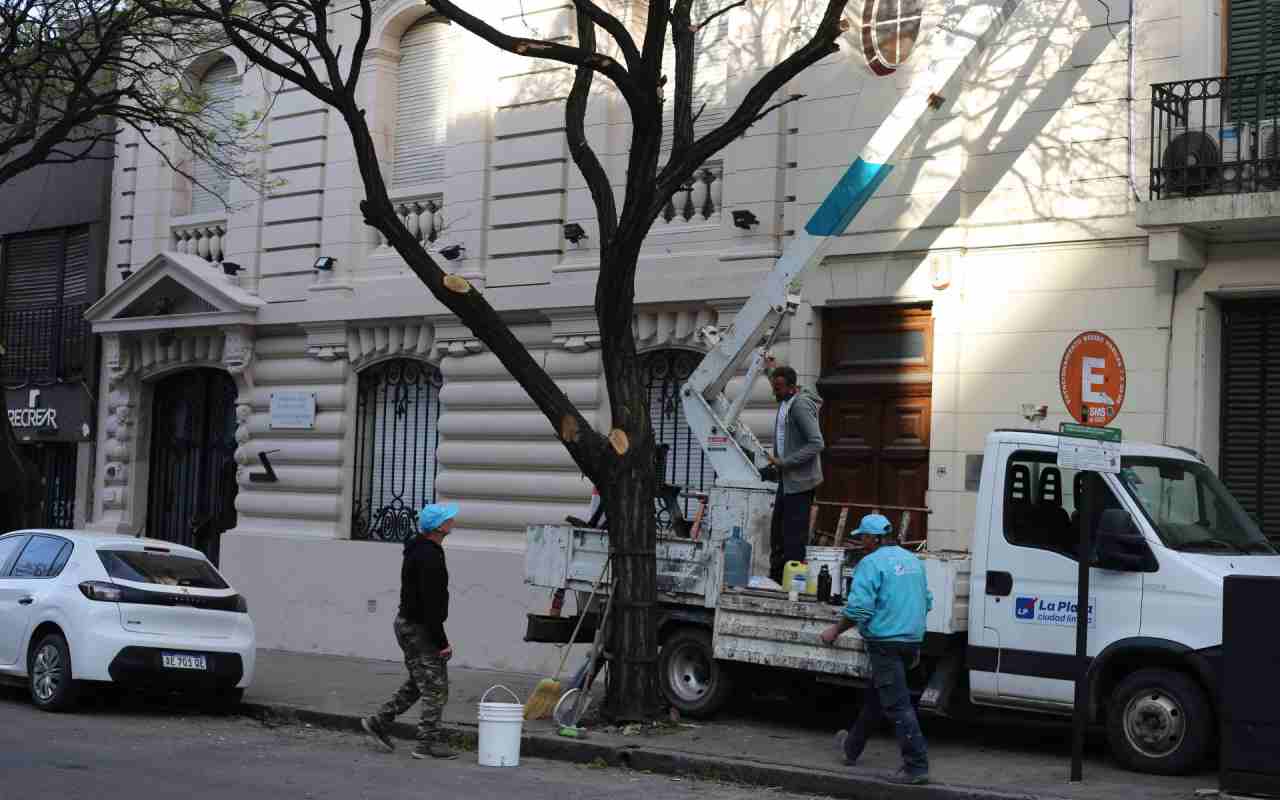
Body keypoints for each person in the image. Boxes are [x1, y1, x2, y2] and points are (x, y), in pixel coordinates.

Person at [820, 513, 932, 785]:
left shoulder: (870, 563)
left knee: (897, 705)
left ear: (874, 538)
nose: (861, 542)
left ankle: (916, 767)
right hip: (911, 640)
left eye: (863, 537)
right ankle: (851, 747)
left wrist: (835, 630)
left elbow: (859, 609)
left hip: (885, 643)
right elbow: (927, 601)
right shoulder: (913, 561)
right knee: (877, 698)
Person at [361, 503, 459, 760]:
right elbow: (430, 604)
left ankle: (379, 722)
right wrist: (442, 642)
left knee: (419, 682)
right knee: (436, 688)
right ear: (438, 527)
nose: (453, 521)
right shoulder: (429, 556)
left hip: (411, 624)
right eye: (448, 518)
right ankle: (427, 743)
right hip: (419, 628)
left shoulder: (422, 549)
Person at [766, 363, 825, 583]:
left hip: (800, 483)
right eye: (773, 386)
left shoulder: (799, 406)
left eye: (777, 388)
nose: (774, 392)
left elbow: (817, 443)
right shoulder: (785, 400)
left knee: (793, 538)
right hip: (786, 480)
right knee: (778, 534)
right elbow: (777, 379)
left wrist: (785, 462)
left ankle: (791, 586)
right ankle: (776, 580)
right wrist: (769, 367)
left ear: (791, 387)